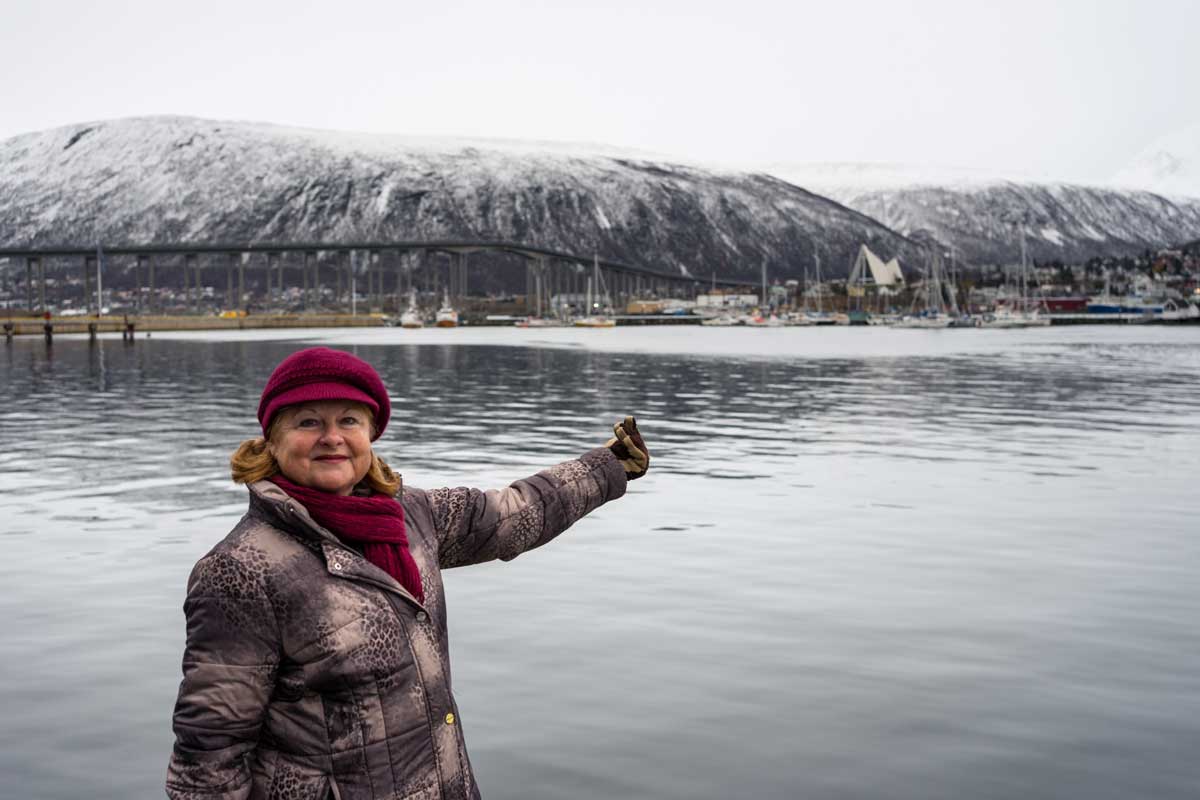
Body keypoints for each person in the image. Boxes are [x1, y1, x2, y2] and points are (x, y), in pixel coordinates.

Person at [166, 347, 648, 800]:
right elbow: (210, 752)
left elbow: (511, 515)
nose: (331, 437)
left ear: (370, 435)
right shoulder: (241, 570)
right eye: (308, 422)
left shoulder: (411, 516)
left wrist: (607, 468)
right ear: (272, 440)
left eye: (348, 420)